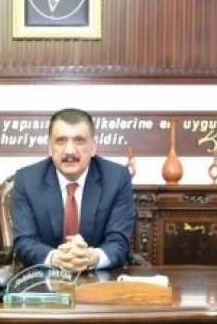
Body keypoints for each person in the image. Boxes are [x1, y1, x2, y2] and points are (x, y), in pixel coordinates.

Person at [11, 108, 135, 271]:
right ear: (50, 147)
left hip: (98, 279)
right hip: (45, 280)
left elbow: (119, 242)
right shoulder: (27, 180)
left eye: (79, 140)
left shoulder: (117, 179)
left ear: (93, 147)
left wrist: (93, 257)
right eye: (61, 140)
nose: (70, 151)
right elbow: (24, 241)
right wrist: (55, 258)